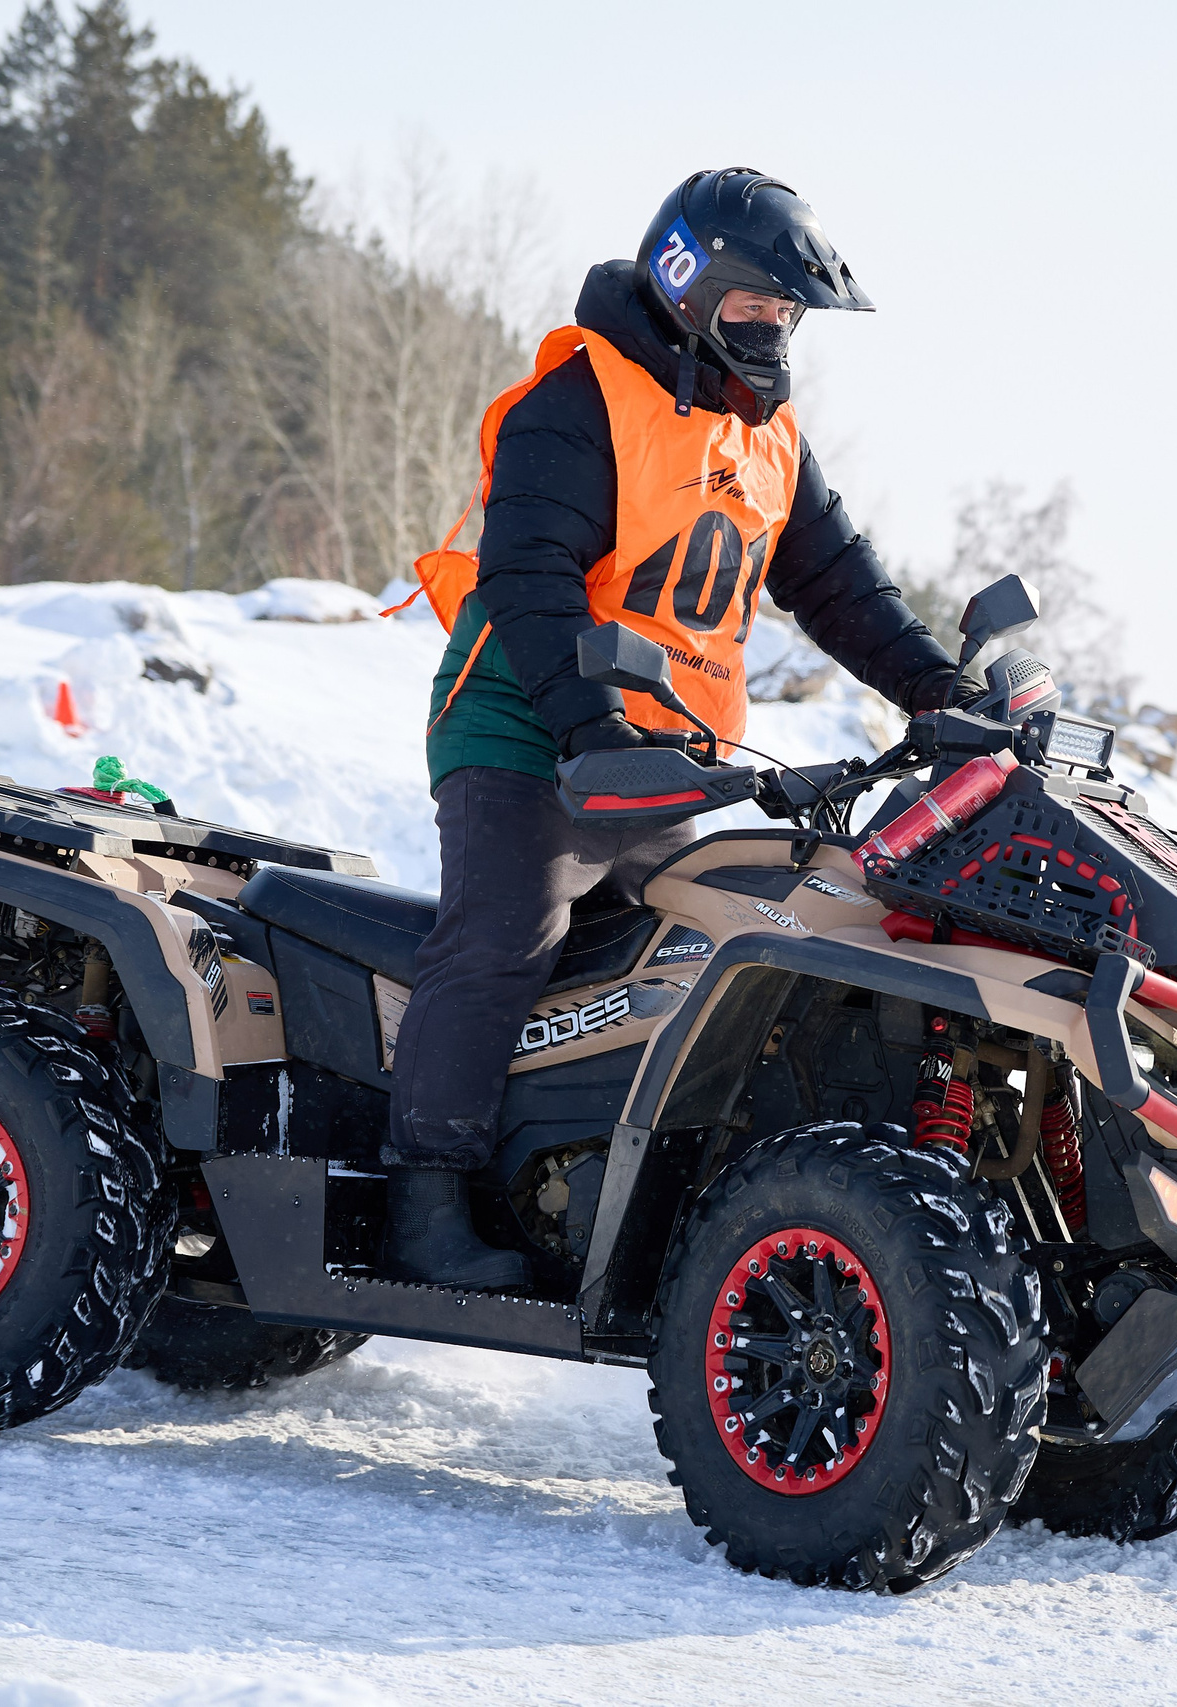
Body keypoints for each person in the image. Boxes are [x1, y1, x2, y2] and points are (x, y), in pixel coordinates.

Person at [381, 168, 965, 1289]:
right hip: (525, 727)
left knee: (677, 967)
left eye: (787, 315)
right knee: (509, 935)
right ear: (689, 286)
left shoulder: (770, 435)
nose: (773, 332)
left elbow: (837, 584)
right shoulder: (579, 399)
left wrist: (938, 692)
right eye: (756, 306)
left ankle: (572, 1196)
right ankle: (425, 1200)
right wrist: (587, 727)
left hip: (664, 761)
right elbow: (529, 575)